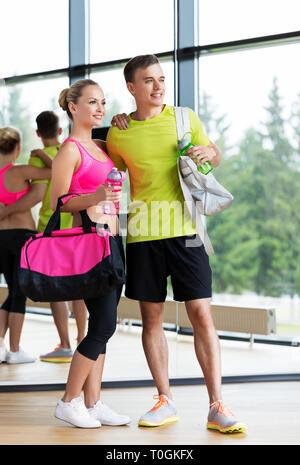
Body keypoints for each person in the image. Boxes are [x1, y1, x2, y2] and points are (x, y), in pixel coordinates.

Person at [107, 54, 247, 434]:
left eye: (161, 79)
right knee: (152, 319)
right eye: (148, 81)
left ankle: (217, 405)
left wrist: (210, 154)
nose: (158, 86)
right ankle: (164, 399)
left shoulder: (184, 118)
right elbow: (110, 170)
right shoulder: (119, 133)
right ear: (132, 88)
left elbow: (212, 154)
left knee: (201, 312)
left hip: (186, 232)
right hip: (142, 234)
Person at [50, 79, 130, 428]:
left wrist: (123, 122)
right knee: (104, 323)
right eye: (92, 102)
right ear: (73, 107)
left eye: (103, 102)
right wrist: (96, 196)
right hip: (88, 243)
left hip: (112, 239)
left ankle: (93, 402)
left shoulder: (101, 146)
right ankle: (69, 401)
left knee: (104, 324)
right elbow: (59, 203)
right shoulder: (69, 150)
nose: (99, 108)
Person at [27, 110, 88, 363]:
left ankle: (64, 344)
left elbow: (39, 193)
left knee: (55, 287)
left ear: (38, 133)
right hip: (73, 223)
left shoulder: (40, 159)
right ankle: (83, 341)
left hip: (49, 227)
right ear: (60, 131)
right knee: (79, 286)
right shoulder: (70, 151)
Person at [0, 127, 51, 364]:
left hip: (1, 237)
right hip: (22, 236)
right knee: (19, 293)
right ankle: (15, 349)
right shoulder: (21, 172)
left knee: (12, 291)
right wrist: (42, 154)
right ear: (18, 147)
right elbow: (56, 172)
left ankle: (1, 346)